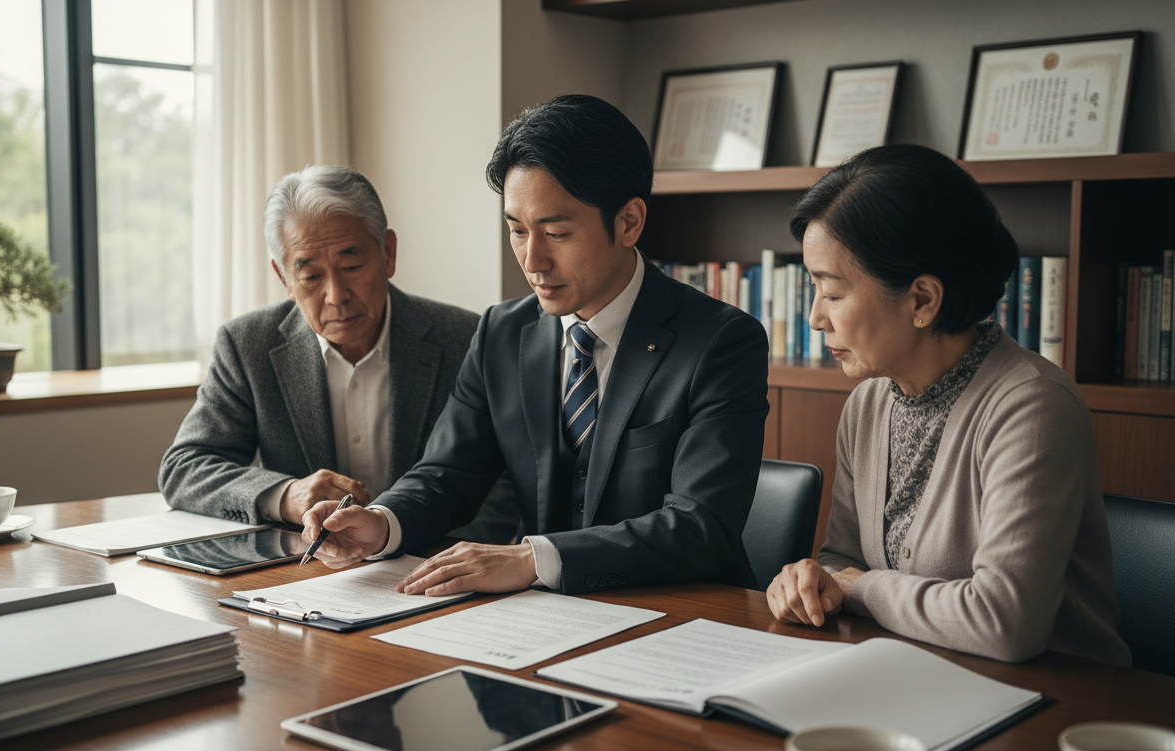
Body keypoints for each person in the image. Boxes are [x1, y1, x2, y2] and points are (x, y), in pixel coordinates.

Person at [297, 94, 769, 596]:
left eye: (556, 232)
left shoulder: (721, 342)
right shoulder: (503, 331)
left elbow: (701, 527)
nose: (533, 259)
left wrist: (534, 558)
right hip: (537, 620)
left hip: (682, 618)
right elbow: (447, 475)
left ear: (629, 221)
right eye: (516, 231)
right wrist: (380, 522)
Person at [766, 144, 1130, 665]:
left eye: (833, 293)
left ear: (922, 301)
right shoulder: (868, 403)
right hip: (912, 678)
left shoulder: (1032, 407)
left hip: (1057, 701)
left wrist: (861, 588)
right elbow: (843, 562)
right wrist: (811, 581)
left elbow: (1006, 622)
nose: (815, 318)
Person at [159, 165, 518, 544]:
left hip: (430, 568)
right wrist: (285, 496)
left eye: (351, 265)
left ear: (388, 253)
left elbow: (506, 481)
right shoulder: (249, 345)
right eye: (311, 276)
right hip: (309, 575)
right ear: (284, 279)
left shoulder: (464, 338)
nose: (336, 294)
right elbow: (185, 468)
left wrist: (427, 557)